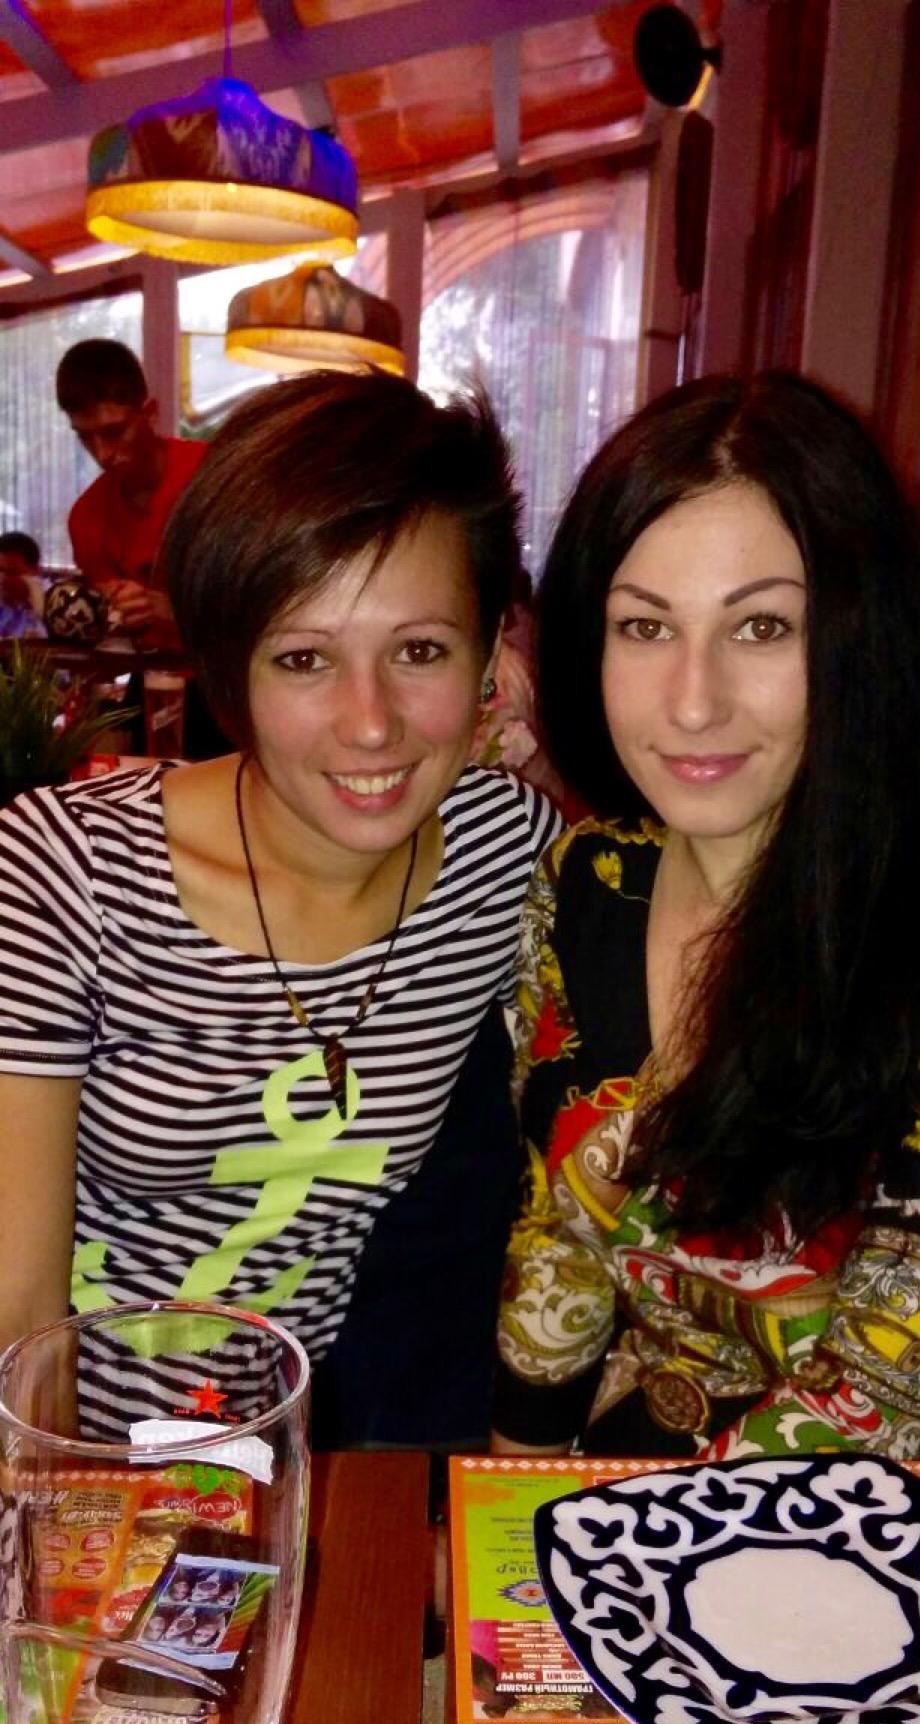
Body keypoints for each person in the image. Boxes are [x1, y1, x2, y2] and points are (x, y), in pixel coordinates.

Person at [492, 370, 920, 1463]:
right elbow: (559, 1240)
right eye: (643, 626)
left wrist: (600, 1531)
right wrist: (504, 1487)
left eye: (761, 627)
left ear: (858, 638)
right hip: (633, 1465)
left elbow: (884, 1386)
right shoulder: (587, 882)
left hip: (908, 1512)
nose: (693, 700)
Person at [0, 369, 558, 1440]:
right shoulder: (66, 870)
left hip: (308, 1463)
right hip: (85, 1463)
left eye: (421, 651)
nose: (370, 723)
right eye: (304, 658)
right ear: (230, 667)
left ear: (493, 651)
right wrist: (60, 1514)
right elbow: (19, 1313)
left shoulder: (506, 857)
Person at [55, 338, 205, 646]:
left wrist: (169, 611)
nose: (102, 454)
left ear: (150, 413)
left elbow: (266, 607)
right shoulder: (86, 518)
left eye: (114, 432)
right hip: (142, 672)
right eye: (85, 437)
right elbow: (110, 638)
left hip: (230, 672)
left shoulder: (215, 477)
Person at [0, 531, 45, 639]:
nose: (3, 580)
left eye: (13, 572)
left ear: (36, 571)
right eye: (0, 570)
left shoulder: (52, 606)